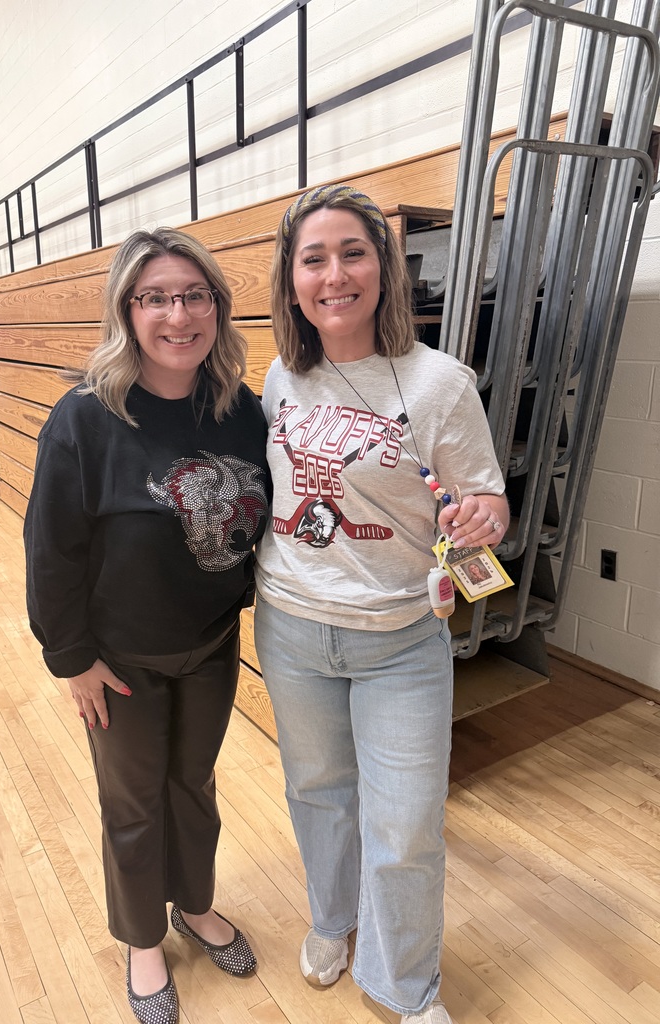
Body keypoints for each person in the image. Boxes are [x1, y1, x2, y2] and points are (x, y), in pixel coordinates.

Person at [253, 185, 509, 1024]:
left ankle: (405, 986)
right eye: (313, 258)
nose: (334, 274)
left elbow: (487, 504)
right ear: (292, 278)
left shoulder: (440, 384)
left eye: (352, 253)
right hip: (292, 627)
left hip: (401, 639)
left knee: (405, 827)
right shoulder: (279, 375)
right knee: (318, 791)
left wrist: (482, 517)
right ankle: (333, 921)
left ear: (385, 266)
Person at [24, 228, 270, 1024]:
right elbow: (51, 547)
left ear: (218, 310)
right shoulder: (85, 419)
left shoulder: (241, 411)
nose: (178, 314)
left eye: (195, 296)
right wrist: (72, 660)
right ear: (127, 311)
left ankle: (193, 907)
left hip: (210, 647)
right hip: (117, 660)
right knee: (132, 802)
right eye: (155, 297)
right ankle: (140, 941)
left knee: (191, 786)